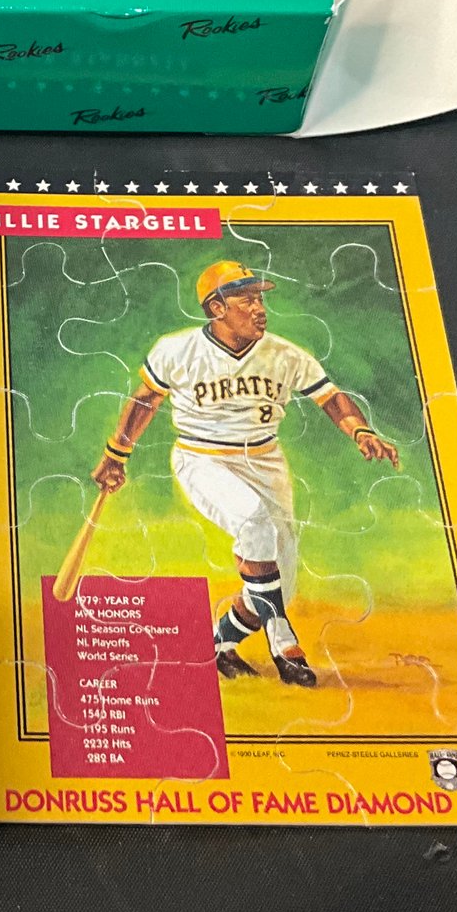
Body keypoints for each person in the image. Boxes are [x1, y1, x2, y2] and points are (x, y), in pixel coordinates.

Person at [93, 261, 400, 683]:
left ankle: (219, 644)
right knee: (254, 523)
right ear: (217, 307)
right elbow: (146, 400)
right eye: (247, 299)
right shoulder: (177, 349)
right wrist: (116, 453)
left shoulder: (284, 354)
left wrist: (361, 431)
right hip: (203, 458)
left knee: (279, 582)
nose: (259, 308)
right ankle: (283, 640)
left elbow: (331, 398)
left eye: (260, 299)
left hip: (266, 461)